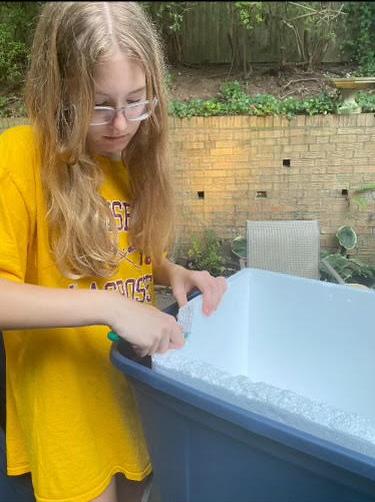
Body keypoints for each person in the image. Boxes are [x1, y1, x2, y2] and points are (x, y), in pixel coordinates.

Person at [0, 2, 227, 502]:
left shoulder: (120, 166)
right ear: (58, 92)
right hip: (68, 418)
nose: (122, 124)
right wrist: (112, 307)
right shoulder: (17, 158)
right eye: (99, 104)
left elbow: (122, 257)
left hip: (131, 399)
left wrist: (171, 273)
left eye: (136, 101)